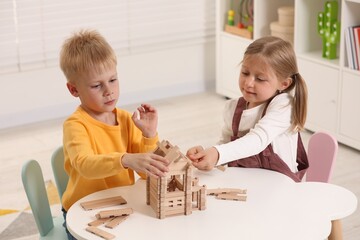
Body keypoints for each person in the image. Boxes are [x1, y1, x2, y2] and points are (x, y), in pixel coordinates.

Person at [59, 29, 169, 239]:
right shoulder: (75, 125)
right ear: (74, 90)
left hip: (121, 205)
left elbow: (148, 174)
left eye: (113, 80)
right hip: (82, 211)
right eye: (96, 85)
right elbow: (85, 164)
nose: (108, 90)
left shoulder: (127, 119)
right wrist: (126, 160)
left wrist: (149, 135)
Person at [186, 36, 309, 182]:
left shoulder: (284, 105)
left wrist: (217, 153)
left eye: (260, 79)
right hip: (246, 185)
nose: (248, 83)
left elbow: (257, 140)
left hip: (281, 186)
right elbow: (227, 146)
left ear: (284, 84)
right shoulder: (232, 108)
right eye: (245, 73)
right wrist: (207, 152)